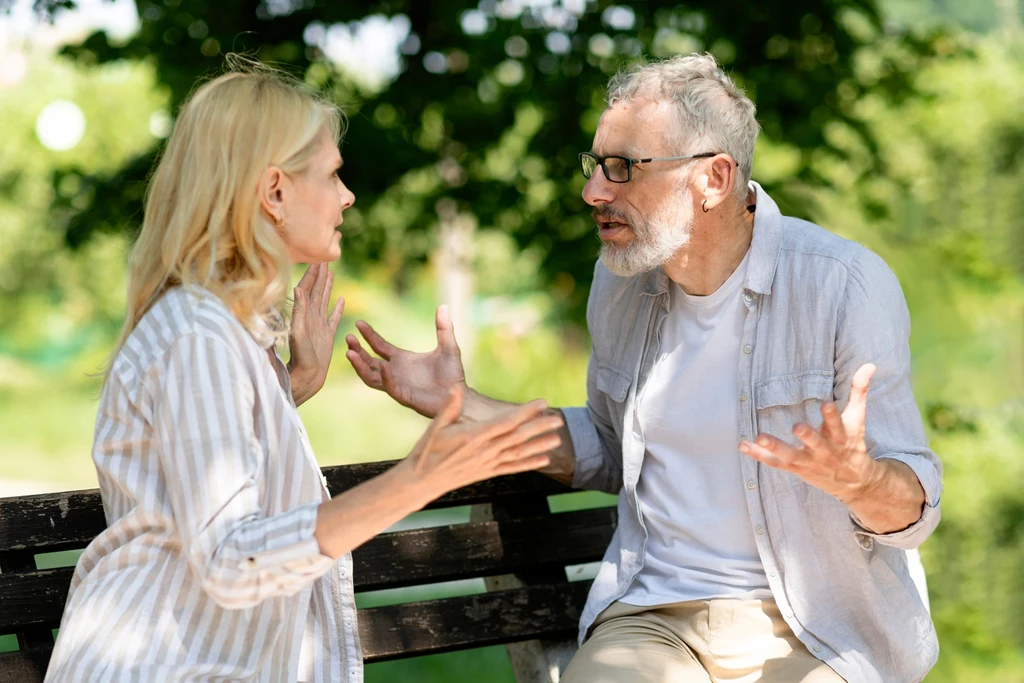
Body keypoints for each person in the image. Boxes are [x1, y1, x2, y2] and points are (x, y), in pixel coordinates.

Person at [345, 53, 943, 683]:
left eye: (624, 168)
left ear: (713, 178)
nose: (593, 192)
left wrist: (859, 480)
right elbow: (607, 446)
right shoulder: (620, 283)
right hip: (653, 619)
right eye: (596, 165)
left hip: (817, 626)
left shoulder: (843, 285)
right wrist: (461, 402)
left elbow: (915, 511)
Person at [44, 57, 564, 683]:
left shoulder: (216, 334)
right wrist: (417, 479)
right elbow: (235, 560)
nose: (346, 196)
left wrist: (287, 389)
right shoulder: (198, 336)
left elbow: (195, 466)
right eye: (332, 175)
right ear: (274, 192)